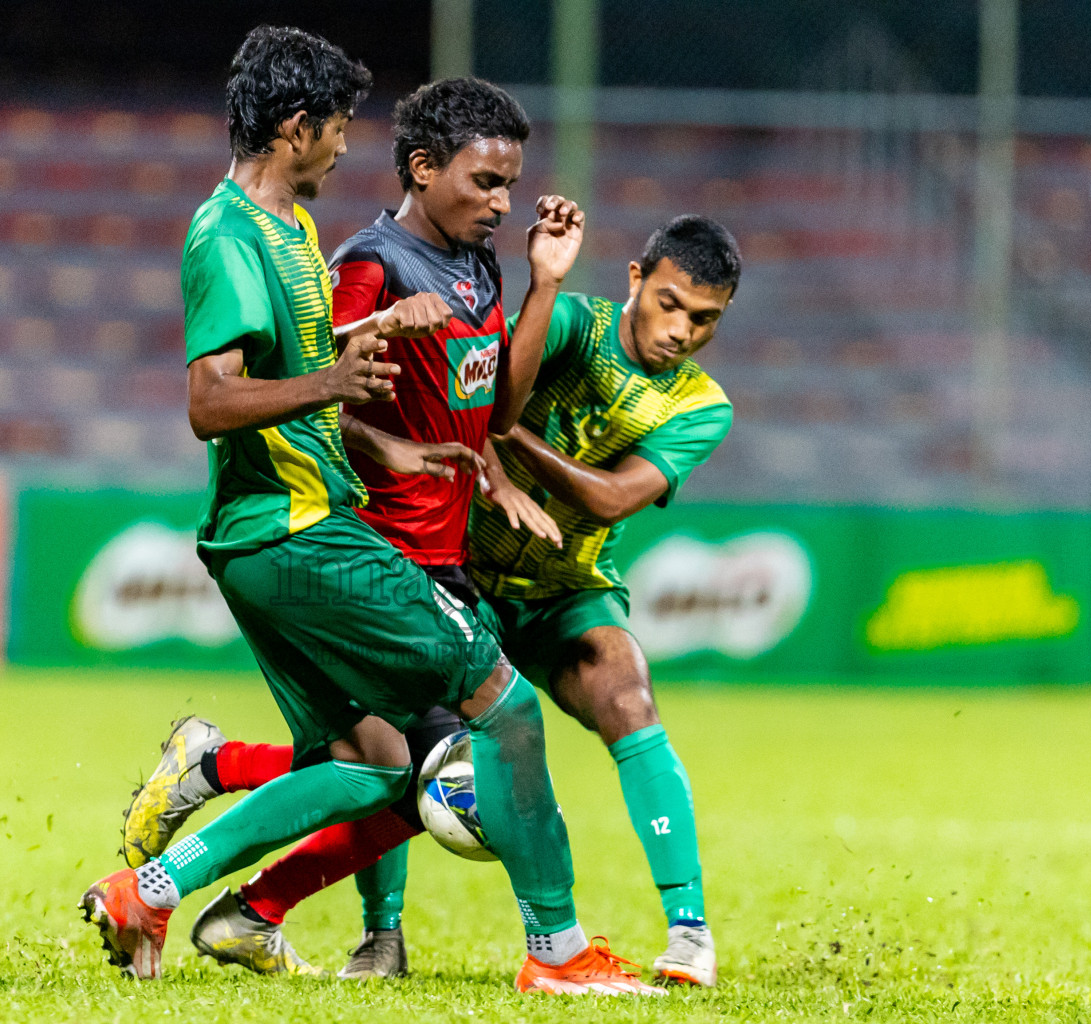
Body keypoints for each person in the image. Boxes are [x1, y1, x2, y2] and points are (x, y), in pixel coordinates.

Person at [79, 26, 661, 997]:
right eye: (337, 127)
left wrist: (381, 409)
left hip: (270, 537)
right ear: (297, 126)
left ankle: (152, 889)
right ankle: (558, 952)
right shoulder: (225, 235)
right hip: (301, 534)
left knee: (370, 765)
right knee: (508, 705)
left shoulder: (288, 230)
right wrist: (346, 377)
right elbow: (210, 401)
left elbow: (308, 372)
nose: (347, 146)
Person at [128, 214, 740, 988]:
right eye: (671, 303)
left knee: (627, 699)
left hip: (566, 589)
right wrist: (536, 312)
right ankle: (300, 911)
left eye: (705, 320)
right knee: (417, 774)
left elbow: (612, 494)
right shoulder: (571, 326)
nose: (681, 330)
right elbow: (486, 395)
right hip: (459, 574)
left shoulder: (700, 404)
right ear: (636, 282)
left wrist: (509, 445)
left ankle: (688, 935)